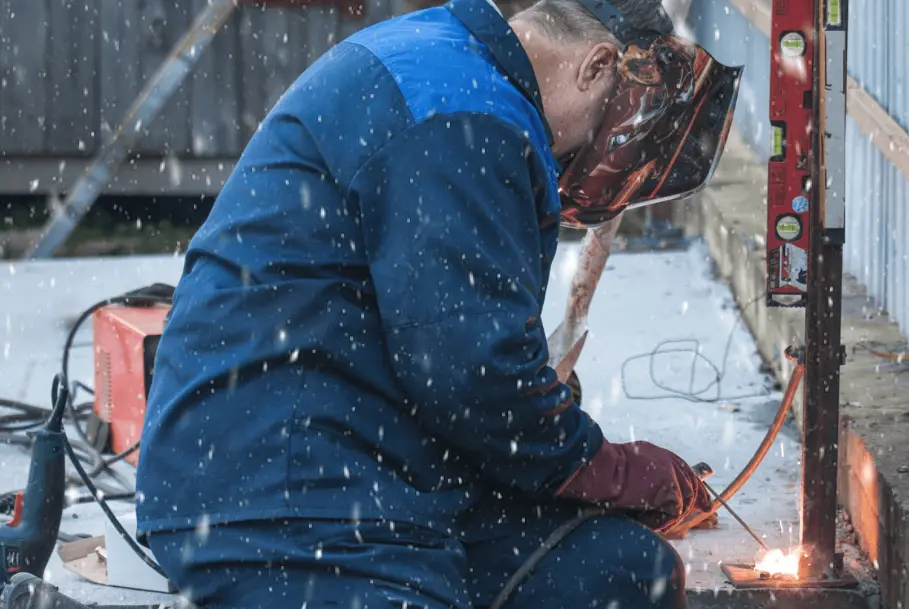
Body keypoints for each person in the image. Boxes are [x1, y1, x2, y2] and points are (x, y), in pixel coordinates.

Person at [135, 0, 726, 607]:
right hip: (282, 499)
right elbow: (474, 376)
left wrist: (562, 448)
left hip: (370, 463)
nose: (590, 163)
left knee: (626, 573)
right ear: (596, 65)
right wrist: (607, 469)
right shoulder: (460, 114)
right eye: (611, 126)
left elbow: (464, 353)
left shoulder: (452, 65)